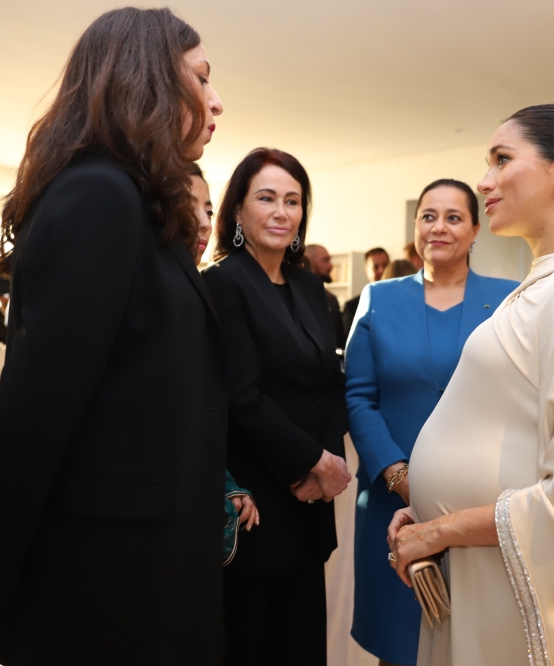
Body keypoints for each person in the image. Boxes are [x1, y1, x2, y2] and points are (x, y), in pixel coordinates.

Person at [0, 9, 225, 665]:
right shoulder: (98, 196)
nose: (217, 100)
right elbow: (38, 404)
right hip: (101, 567)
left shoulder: (141, 205)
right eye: (201, 77)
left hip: (145, 554)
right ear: (149, 79)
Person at [388, 104, 554, 665]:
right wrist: (431, 517)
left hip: (510, 580)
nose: (484, 181)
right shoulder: (551, 281)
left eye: (502, 160)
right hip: (480, 562)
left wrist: (441, 531)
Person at [345, 179, 518, 666]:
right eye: (428, 216)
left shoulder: (510, 300)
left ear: (476, 230)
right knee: (399, 644)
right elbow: (359, 399)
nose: (439, 227)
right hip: (391, 501)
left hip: (478, 505)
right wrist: (401, 478)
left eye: (453, 217)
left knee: (476, 642)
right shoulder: (378, 298)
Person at [203, 148, 351, 665]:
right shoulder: (221, 283)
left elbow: (332, 385)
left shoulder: (310, 286)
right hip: (256, 501)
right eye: (266, 198)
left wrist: (327, 462)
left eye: (293, 201)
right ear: (237, 210)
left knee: (302, 646)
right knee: (247, 644)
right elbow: (240, 396)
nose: (281, 212)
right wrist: (311, 461)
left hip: (310, 502)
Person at [188, 162, 260, 536]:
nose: (204, 223)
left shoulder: (194, 292)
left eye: (208, 210)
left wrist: (226, 483)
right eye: (189, 208)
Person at [341, 247, 389, 337]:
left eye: (385, 265)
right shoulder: (352, 306)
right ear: (367, 271)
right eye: (375, 267)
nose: (381, 270)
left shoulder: (400, 301)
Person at [304, 244, 345, 348]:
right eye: (325, 260)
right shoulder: (299, 298)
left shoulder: (331, 299)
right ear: (310, 261)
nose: (331, 266)